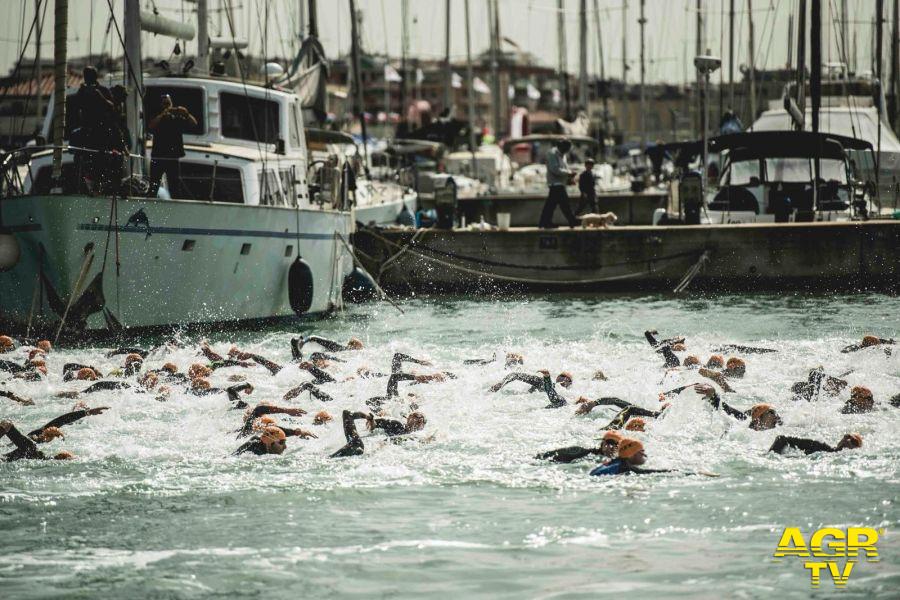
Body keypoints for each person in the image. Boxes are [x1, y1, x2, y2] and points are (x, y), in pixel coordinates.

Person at [70, 66, 115, 193]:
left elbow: (112, 107)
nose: (87, 78)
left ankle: (99, 187)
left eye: (89, 76)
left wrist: (99, 96)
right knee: (81, 159)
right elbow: (75, 107)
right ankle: (82, 186)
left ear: (94, 76)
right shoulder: (82, 91)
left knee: (100, 162)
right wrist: (81, 93)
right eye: (85, 76)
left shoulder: (103, 90)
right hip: (86, 131)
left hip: (100, 132)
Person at [148, 93, 197, 198]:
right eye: (164, 104)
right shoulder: (157, 116)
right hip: (158, 155)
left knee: (174, 186)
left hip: (172, 156)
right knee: (153, 184)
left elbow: (194, 124)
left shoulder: (177, 117)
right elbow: (151, 126)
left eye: (168, 103)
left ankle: (176, 205)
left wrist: (186, 114)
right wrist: (163, 113)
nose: (167, 106)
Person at [694, 384, 782, 430]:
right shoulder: (743, 424)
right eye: (771, 412)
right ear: (758, 419)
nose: (776, 416)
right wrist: (713, 394)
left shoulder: (778, 428)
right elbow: (725, 409)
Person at [538, 139, 578, 228]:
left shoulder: (563, 154)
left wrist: (569, 178)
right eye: (567, 149)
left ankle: (544, 223)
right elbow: (554, 169)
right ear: (562, 147)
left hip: (560, 183)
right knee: (564, 204)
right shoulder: (552, 154)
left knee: (551, 205)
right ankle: (572, 221)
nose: (567, 151)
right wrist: (568, 173)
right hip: (555, 183)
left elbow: (564, 167)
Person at [589, 438, 673, 476]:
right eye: (641, 451)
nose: (644, 455)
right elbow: (645, 472)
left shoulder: (615, 462)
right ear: (631, 453)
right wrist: (673, 472)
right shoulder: (624, 467)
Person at [1, 420, 75, 462]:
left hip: (31, 450)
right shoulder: (35, 451)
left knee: (7, 424)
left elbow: (6, 425)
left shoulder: (32, 449)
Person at [535, 430, 623, 464]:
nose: (611, 447)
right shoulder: (582, 452)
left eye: (615, 445)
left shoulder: (613, 459)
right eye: (609, 443)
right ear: (602, 443)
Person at [769, 433, 862, 455]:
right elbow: (781, 439)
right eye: (846, 436)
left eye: (853, 441)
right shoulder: (820, 446)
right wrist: (770, 457)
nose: (848, 440)